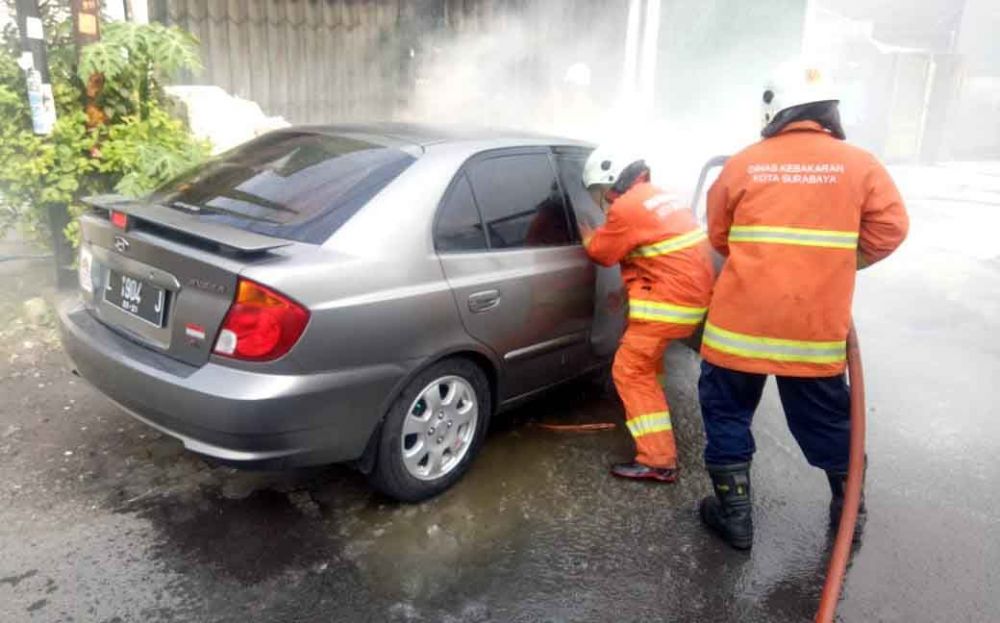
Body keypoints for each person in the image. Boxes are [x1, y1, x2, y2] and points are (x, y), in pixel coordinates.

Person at [697, 62, 909, 549]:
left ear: (774, 111)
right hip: (811, 333)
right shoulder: (860, 165)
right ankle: (847, 509)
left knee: (726, 414)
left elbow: (718, 234)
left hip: (737, 329)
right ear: (830, 112)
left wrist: (765, 260)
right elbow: (890, 230)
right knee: (828, 421)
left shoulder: (744, 163)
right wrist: (833, 263)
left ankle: (735, 519)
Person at [580, 146, 715, 483]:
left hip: (667, 304)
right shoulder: (658, 196)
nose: (600, 200)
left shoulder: (626, 207)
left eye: (598, 192)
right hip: (691, 301)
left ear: (611, 181)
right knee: (646, 365)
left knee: (629, 371)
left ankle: (658, 460)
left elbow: (602, 253)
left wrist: (585, 235)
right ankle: (648, 407)